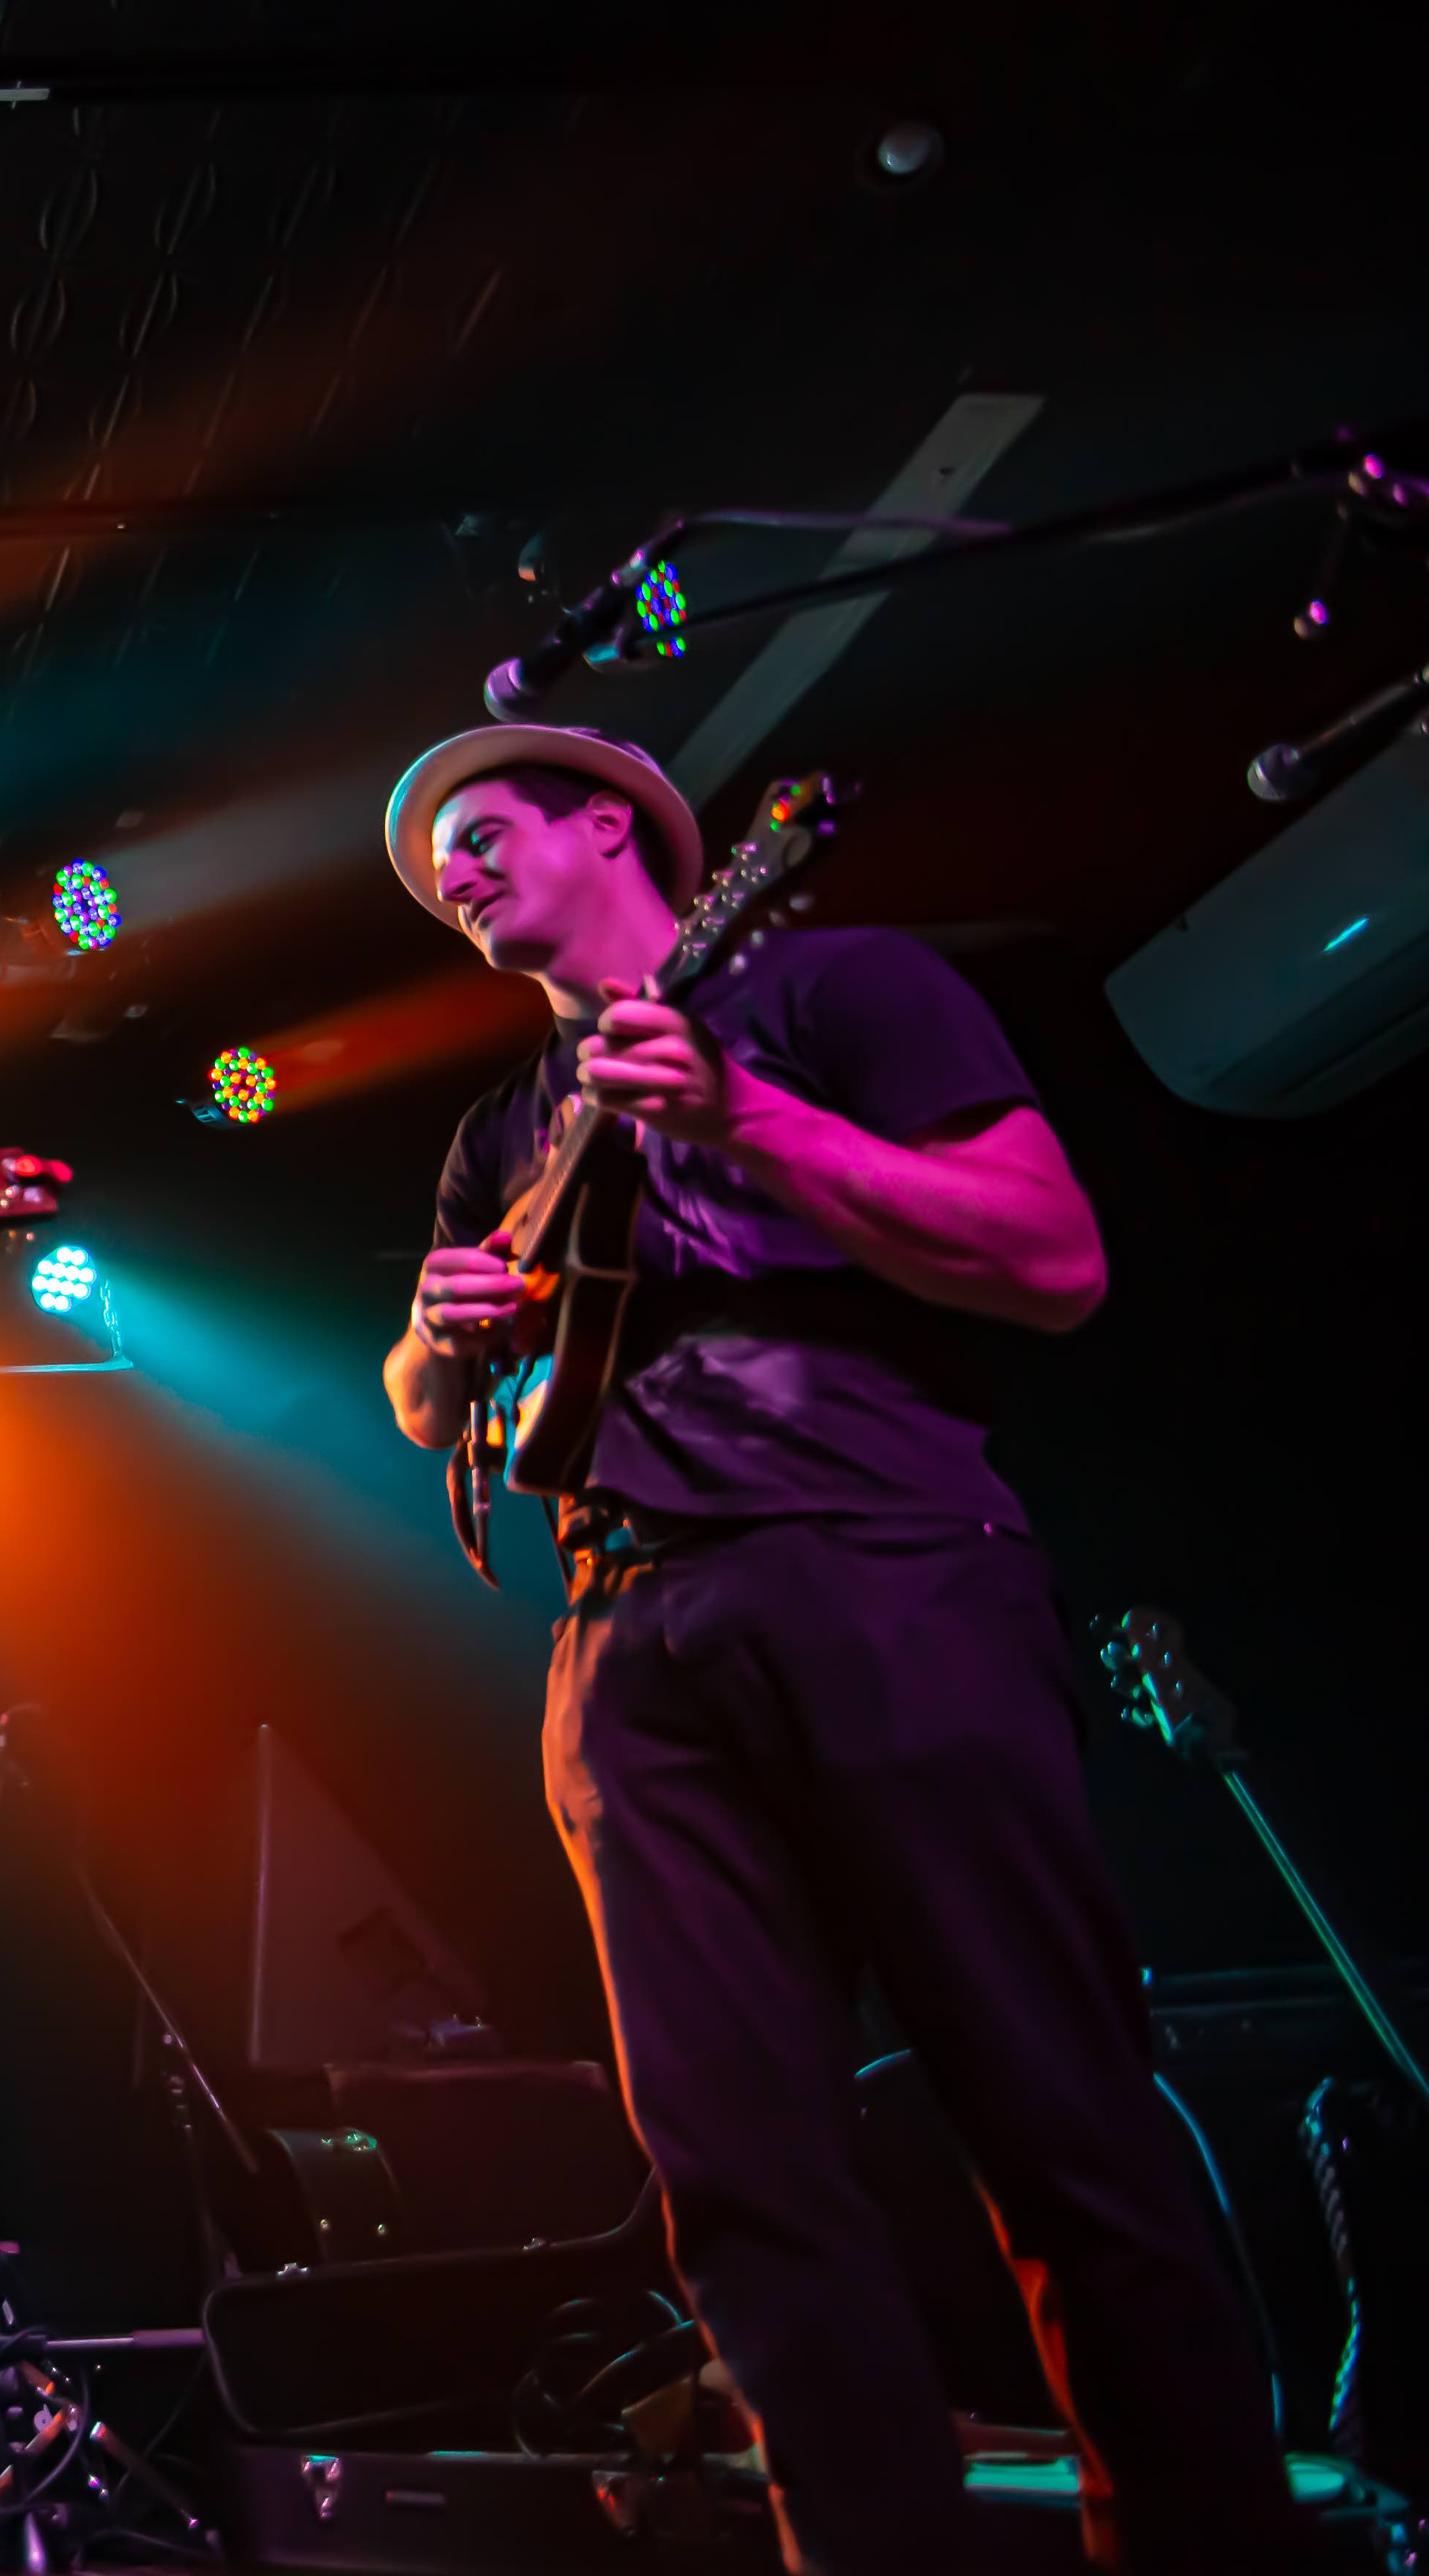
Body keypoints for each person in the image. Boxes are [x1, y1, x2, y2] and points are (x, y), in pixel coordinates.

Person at [373, 725, 1297, 2574]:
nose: (451, 875)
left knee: (1052, 2104)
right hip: (621, 1638)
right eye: (435, 866)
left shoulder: (832, 988)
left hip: (880, 1568)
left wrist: (749, 1120)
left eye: (480, 832)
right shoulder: (499, 1133)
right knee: (736, 2180)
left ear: (609, 824)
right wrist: (435, 1335)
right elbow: (419, 1405)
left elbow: (1053, 1260)